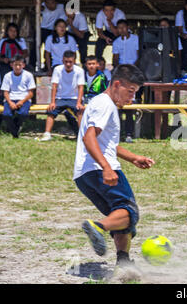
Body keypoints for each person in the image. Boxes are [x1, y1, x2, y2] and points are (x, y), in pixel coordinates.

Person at [73, 64, 154, 267]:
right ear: (117, 84)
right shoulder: (105, 104)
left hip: (84, 174)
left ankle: (123, 261)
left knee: (121, 215)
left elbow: (107, 144)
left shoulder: (101, 103)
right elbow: (89, 138)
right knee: (129, 211)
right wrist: (106, 167)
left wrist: (133, 158)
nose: (132, 98)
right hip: (99, 169)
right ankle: (98, 227)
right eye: (131, 91)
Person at [38, 50, 85, 142]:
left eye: (70, 62)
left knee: (79, 111)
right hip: (60, 98)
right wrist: (52, 102)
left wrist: (79, 102)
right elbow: (54, 86)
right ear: (62, 60)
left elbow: (81, 87)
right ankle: (47, 134)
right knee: (51, 111)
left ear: (74, 61)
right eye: (66, 61)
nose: (68, 64)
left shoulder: (79, 71)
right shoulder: (58, 69)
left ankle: (82, 135)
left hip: (74, 98)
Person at [112, 19, 139, 143]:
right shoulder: (116, 42)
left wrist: (132, 69)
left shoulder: (135, 39)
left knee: (130, 107)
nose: (121, 30)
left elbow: (140, 55)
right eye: (119, 28)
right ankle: (117, 134)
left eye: (123, 27)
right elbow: (115, 59)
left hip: (133, 73)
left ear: (127, 27)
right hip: (121, 75)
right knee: (118, 107)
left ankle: (129, 134)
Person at [0, 55, 35, 138]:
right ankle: (15, 133)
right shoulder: (7, 76)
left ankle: (16, 127)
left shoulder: (28, 75)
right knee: (6, 115)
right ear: (12, 65)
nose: (18, 67)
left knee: (23, 114)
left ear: (23, 65)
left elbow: (31, 93)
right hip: (11, 98)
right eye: (16, 65)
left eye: (20, 65)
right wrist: (10, 102)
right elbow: (5, 92)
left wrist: (22, 101)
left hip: (24, 99)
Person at [30, 0, 66, 69]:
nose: (50, 5)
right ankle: (32, 65)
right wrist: (37, 5)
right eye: (48, 3)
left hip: (53, 31)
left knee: (49, 49)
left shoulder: (61, 7)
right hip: (42, 29)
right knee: (35, 47)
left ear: (56, 2)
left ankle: (47, 66)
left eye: (52, 3)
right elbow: (34, 10)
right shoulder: (42, 6)